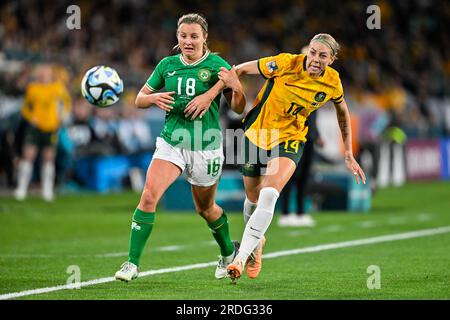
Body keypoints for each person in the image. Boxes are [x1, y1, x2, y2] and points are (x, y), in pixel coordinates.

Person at [190, 33, 366, 282]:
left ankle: (241, 258)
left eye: (322, 55)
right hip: (256, 133)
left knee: (269, 193)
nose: (315, 59)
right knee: (252, 199)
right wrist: (211, 95)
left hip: (291, 139)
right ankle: (257, 244)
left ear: (332, 59)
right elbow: (237, 70)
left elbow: (342, 112)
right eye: (313, 52)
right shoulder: (284, 63)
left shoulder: (332, 81)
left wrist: (348, 151)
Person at [114, 13, 246, 282]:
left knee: (205, 209)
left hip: (205, 145)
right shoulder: (167, 65)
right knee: (149, 196)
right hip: (172, 140)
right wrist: (153, 98)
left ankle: (227, 252)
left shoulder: (217, 65)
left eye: (194, 36)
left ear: (204, 38)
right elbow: (139, 99)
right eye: (183, 36)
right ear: (177, 37)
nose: (188, 41)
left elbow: (239, 107)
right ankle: (132, 263)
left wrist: (229, 88)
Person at [14, 63, 71, 201]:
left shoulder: (58, 88)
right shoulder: (33, 88)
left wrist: (62, 115)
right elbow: (26, 108)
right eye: (41, 72)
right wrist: (30, 118)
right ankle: (21, 188)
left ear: (51, 74)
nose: (43, 74)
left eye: (46, 72)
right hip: (34, 128)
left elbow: (67, 103)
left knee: (49, 158)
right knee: (28, 156)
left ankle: (47, 190)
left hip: (51, 128)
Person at [278, 111, 323, 227]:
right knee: (290, 176)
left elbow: (312, 119)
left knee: (305, 176)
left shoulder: (314, 95)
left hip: (310, 137)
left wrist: (317, 135)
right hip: (295, 138)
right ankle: (285, 213)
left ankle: (301, 212)